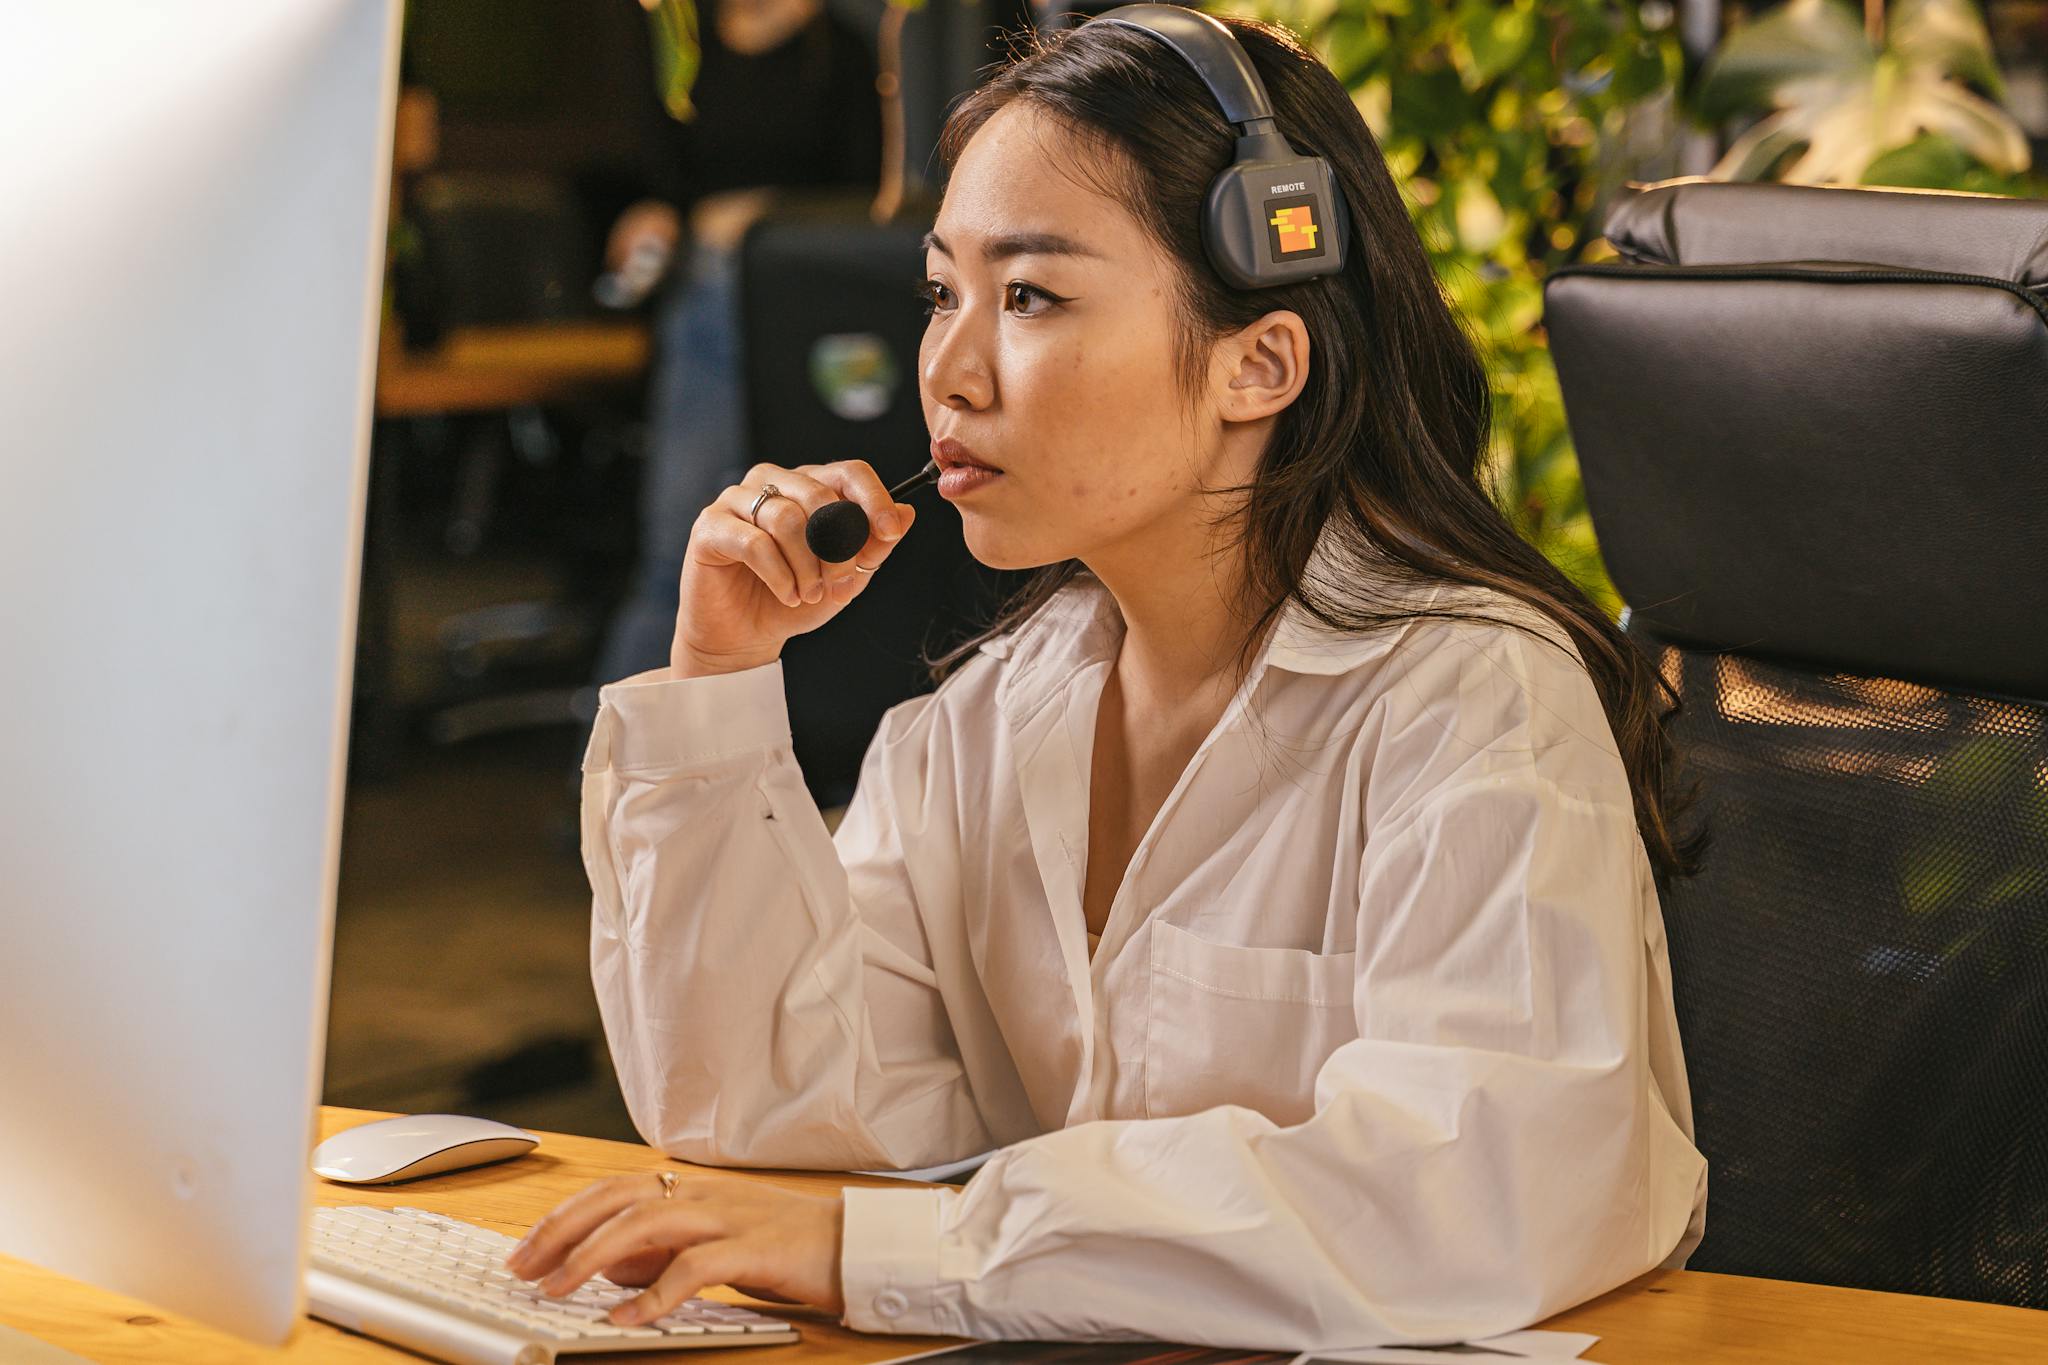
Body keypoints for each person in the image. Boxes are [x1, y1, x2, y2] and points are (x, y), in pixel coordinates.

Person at [507, 12, 1711, 1349]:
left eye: (1029, 296)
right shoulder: (994, 714)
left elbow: (1473, 1193)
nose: (948, 371)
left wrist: (906, 1249)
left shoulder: (1473, 701)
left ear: (1259, 363)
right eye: (941, 294)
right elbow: (752, 1108)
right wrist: (718, 681)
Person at [592, 0, 882, 687]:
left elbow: (864, 194)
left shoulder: (840, 51)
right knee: (679, 551)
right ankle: (624, 743)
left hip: (807, 294)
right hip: (701, 286)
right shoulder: (684, 40)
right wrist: (653, 215)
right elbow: (657, 174)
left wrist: (765, 217)